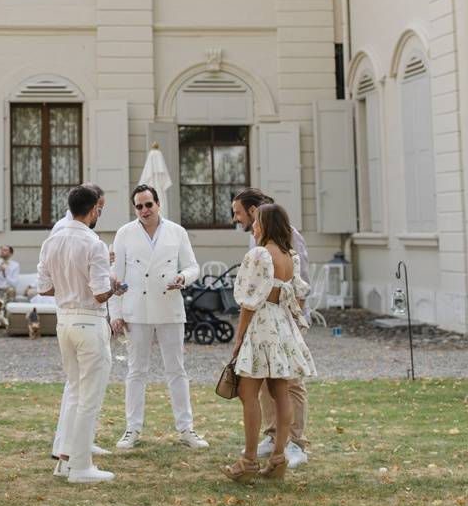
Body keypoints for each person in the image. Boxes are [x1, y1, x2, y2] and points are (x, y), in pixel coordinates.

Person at [36, 183, 123, 484]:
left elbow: (45, 288)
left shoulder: (52, 241)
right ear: (93, 209)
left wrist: (69, 285)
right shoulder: (94, 243)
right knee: (89, 397)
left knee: (75, 391)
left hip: (64, 323)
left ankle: (64, 460)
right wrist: (115, 285)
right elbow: (100, 294)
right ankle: (82, 465)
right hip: (89, 321)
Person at [223, 201, 315, 482]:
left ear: (266, 224)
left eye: (257, 222)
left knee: (248, 394)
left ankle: (248, 461)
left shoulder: (260, 254)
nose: (253, 227)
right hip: (282, 323)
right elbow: (298, 294)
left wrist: (239, 338)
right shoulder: (290, 256)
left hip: (261, 323)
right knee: (281, 392)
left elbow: (248, 300)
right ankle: (278, 458)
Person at [111, 185, 206, 451]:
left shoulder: (177, 231)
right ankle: (132, 428)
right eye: (139, 206)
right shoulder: (125, 233)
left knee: (176, 370)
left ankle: (186, 428)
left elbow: (193, 266)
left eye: (148, 205)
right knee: (136, 371)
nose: (144, 210)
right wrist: (115, 313)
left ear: (158, 204)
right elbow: (115, 276)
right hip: (136, 310)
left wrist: (183, 278)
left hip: (169, 306)